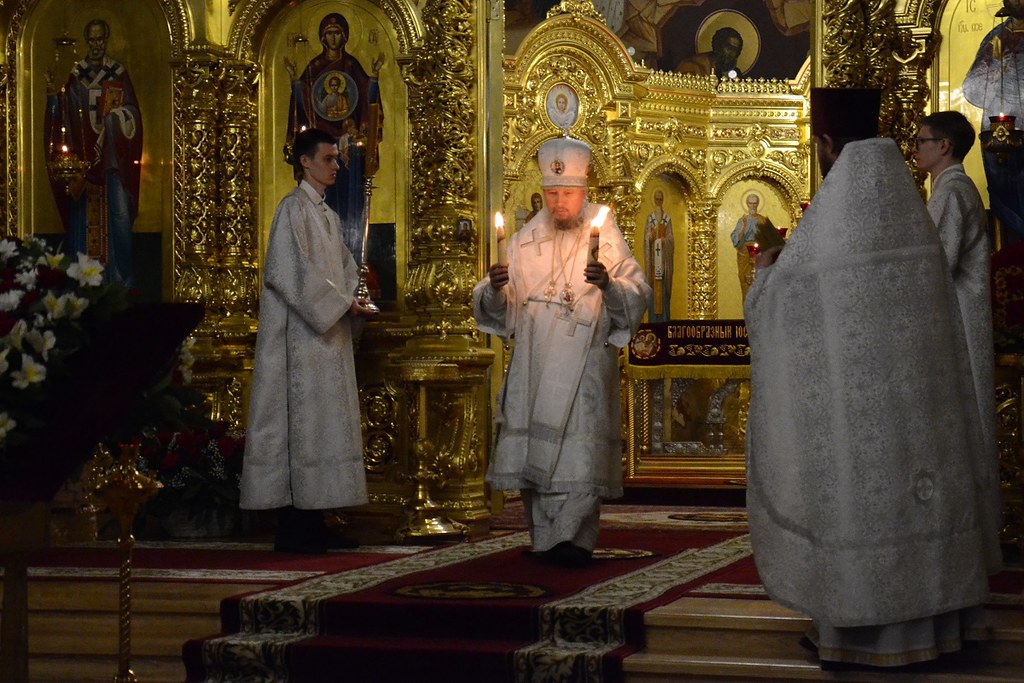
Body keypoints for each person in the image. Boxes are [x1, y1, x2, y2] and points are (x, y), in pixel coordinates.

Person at [744, 88, 1002, 669]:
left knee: (859, 501)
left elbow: (781, 312)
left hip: (854, 410)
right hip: (918, 402)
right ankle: (937, 633)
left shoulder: (836, 215)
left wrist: (764, 274)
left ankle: (859, 640)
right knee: (916, 498)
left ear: (828, 145)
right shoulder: (906, 202)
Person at [473, 137, 650, 567]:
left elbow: (637, 292)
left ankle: (574, 539)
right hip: (536, 360)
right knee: (540, 452)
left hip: (585, 363)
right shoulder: (526, 237)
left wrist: (608, 284)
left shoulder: (604, 235)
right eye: (552, 194)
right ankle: (545, 540)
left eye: (567, 194)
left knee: (579, 453)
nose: (559, 203)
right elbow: (501, 308)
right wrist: (495, 289)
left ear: (583, 191)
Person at [240, 128, 378, 554]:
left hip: (328, 337)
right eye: (329, 158)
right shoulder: (292, 210)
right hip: (299, 339)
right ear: (304, 161)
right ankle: (295, 526)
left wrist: (358, 293)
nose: (337, 166)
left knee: (322, 427)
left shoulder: (328, 215)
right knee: (299, 425)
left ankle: (317, 519)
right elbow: (286, 271)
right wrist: (339, 303)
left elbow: (344, 269)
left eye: (337, 159)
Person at [914, 111, 997, 466]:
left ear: (944, 145)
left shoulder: (951, 192)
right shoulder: (952, 189)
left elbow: (936, 265)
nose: (915, 149)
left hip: (960, 316)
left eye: (921, 141)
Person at [44, 18, 142, 286]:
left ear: (107, 40)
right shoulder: (78, 75)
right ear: (87, 42)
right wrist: (53, 94)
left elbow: (134, 114)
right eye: (92, 40)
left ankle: (119, 279)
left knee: (119, 216)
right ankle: (83, 283)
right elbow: (63, 116)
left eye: (101, 40)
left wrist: (116, 119)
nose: (97, 45)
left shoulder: (118, 74)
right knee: (83, 222)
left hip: (112, 164)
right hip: (86, 164)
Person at [285, 12, 384, 257]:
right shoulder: (314, 68)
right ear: (321, 36)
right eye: (329, 33)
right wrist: (296, 84)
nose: (333, 38)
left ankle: (354, 248)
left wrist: (373, 79)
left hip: (348, 145)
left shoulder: (351, 66)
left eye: (337, 32)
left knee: (350, 203)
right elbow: (305, 105)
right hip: (323, 143)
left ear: (345, 35)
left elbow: (365, 101)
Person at [962, 0, 1024, 238]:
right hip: (1004, 132)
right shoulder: (996, 38)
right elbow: (972, 88)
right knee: (1006, 193)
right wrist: (998, 64)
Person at [730, 192, 785, 300]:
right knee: (745, 280)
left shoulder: (763, 220)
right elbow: (735, 239)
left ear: (758, 204)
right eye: (750, 203)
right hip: (744, 253)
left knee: (760, 279)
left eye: (755, 204)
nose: (753, 206)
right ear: (747, 204)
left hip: (760, 254)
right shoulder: (742, 221)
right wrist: (743, 227)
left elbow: (773, 239)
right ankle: (746, 308)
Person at [643, 189, 674, 321]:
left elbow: (671, 239)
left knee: (663, 291)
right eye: (657, 199)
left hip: (664, 262)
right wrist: (650, 237)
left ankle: (664, 319)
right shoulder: (650, 218)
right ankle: (653, 320)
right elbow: (646, 238)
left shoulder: (667, 219)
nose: (659, 202)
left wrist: (664, 241)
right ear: (654, 200)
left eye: (661, 199)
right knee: (653, 290)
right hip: (653, 262)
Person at [676, 27, 744, 78]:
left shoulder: (734, 74)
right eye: (729, 47)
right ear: (718, 46)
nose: (732, 53)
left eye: (735, 50)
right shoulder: (692, 66)